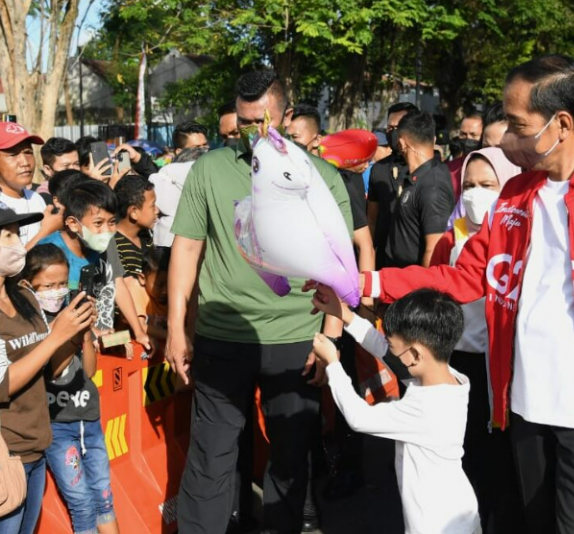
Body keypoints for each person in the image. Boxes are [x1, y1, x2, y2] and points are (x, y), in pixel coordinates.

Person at [361, 54, 574, 534]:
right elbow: (465, 278)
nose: (509, 137)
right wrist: (369, 283)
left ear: (561, 124)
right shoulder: (515, 195)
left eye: (517, 124)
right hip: (522, 410)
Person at [166, 69, 353, 534]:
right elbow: (186, 249)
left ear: (286, 115)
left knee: (290, 462)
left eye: (261, 121)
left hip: (297, 338)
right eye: (244, 123)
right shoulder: (208, 169)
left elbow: (339, 262)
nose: (252, 133)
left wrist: (329, 341)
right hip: (222, 335)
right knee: (210, 458)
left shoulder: (319, 175)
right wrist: (175, 328)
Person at [0, 198, 95, 534]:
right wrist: (55, 336)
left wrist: (75, 333)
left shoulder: (24, 296)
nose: (20, 245)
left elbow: (54, 372)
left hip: (36, 448)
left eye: (19, 234)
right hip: (1, 457)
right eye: (9, 237)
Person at [310, 287, 481, 534]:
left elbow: (359, 418)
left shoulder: (424, 408)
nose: (390, 351)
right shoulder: (450, 381)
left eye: (395, 348)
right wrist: (344, 315)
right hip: (460, 513)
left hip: (435, 525)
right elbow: (384, 350)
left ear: (414, 355)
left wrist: (333, 364)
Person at [430, 146, 523, 532]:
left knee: (505, 463)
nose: (475, 193)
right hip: (459, 364)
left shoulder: (522, 237)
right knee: (466, 458)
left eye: (487, 184)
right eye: (468, 184)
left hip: (507, 367)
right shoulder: (449, 239)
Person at [18, 245, 119, 534]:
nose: (57, 291)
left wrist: (85, 331)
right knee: (82, 502)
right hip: (58, 427)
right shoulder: (32, 324)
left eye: (63, 283)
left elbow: (88, 371)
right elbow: (54, 370)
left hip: (90, 419)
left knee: (103, 496)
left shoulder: (71, 314)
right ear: (28, 284)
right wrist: (69, 335)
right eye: (48, 285)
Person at [39, 179, 149, 350]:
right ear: (73, 224)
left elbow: (118, 284)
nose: (106, 230)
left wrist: (139, 330)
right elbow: (49, 312)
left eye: (112, 222)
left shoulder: (105, 245)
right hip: (68, 346)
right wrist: (92, 333)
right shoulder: (51, 255)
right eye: (98, 223)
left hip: (101, 339)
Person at [381, 110, 455, 269]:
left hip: (412, 284)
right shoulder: (417, 176)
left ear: (401, 143)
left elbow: (434, 249)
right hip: (396, 277)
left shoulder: (433, 185)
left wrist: (424, 291)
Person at [0, 121, 60, 248]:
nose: (25, 162)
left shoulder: (36, 199)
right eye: (13, 154)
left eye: (28, 152)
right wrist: (44, 233)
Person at [367, 102, 417, 256]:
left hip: (415, 260)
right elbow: (372, 220)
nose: (394, 132)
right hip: (383, 258)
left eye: (399, 127)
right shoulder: (378, 169)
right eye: (390, 128)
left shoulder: (426, 169)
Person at [113, 175, 158, 278]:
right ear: (134, 212)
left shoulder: (145, 236)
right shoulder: (116, 246)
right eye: (153, 205)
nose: (157, 210)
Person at [447, 111, 485, 199]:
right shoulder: (450, 168)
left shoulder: (492, 168)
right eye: (463, 134)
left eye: (473, 134)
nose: (468, 139)